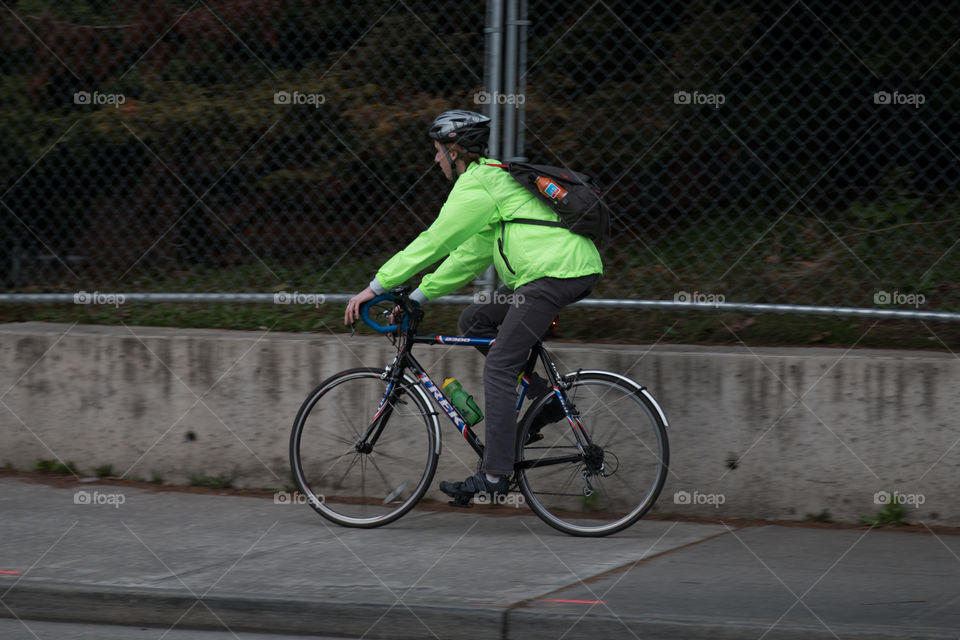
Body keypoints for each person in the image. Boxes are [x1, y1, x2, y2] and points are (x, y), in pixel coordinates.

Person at [344, 109, 602, 503]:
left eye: (437, 151)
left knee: (499, 366)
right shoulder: (492, 186)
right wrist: (416, 297)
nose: (435, 160)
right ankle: (543, 398)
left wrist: (376, 286)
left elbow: (435, 241)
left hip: (555, 275)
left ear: (454, 150)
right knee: (476, 320)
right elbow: (469, 254)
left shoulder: (479, 184)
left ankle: (497, 473)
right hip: (553, 275)